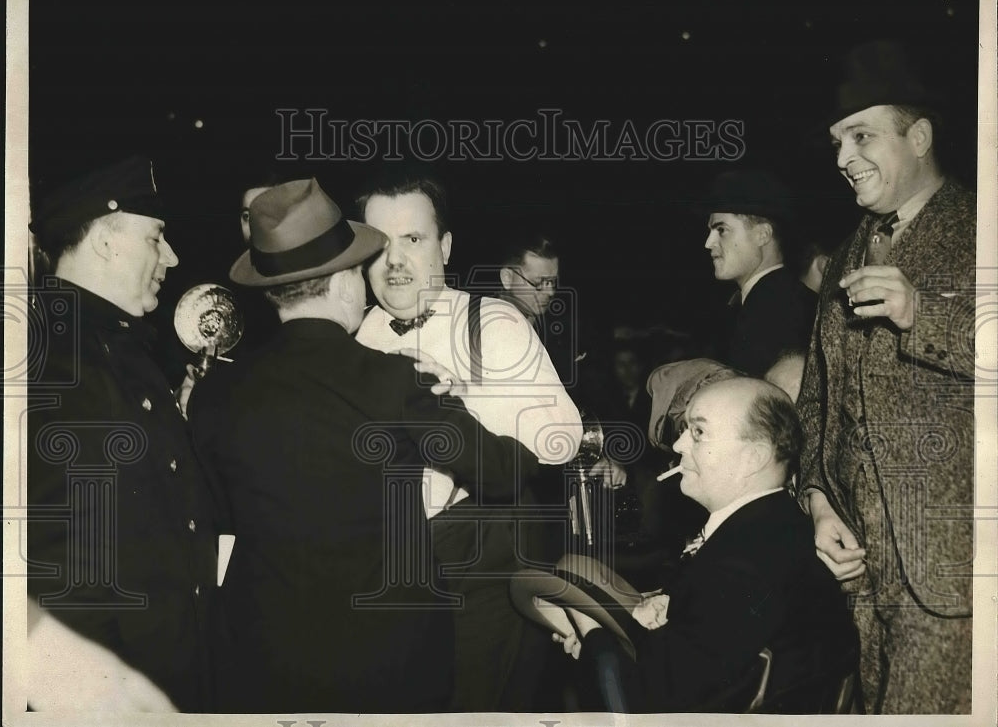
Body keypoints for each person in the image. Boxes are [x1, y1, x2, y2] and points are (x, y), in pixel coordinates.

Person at [187, 178, 538, 713]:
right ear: (346, 278)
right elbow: (504, 473)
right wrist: (459, 401)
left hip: (260, 661)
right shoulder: (396, 381)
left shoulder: (215, 393)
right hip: (389, 666)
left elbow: (216, 514)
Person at [354, 172, 583, 711]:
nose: (395, 261)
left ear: (445, 247)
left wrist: (460, 410)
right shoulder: (355, 335)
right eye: (379, 243)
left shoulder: (493, 322)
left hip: (481, 575)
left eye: (413, 239)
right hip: (384, 573)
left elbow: (563, 439)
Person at [797, 40, 976, 714]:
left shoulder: (980, 229)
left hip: (956, 578)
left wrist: (920, 312)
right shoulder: (845, 252)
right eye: (838, 140)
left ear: (920, 136)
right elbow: (818, 398)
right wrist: (817, 498)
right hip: (862, 579)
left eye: (862, 135)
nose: (843, 157)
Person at [538, 378, 858, 713]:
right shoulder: (774, 525)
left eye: (698, 432)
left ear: (753, 458)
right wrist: (659, 609)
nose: (677, 445)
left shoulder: (740, 568)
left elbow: (646, 704)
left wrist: (590, 628)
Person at [26, 156, 219, 712]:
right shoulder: (54, 356)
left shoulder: (117, 345)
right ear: (108, 242)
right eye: (156, 237)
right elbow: (55, 560)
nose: (172, 257)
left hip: (163, 674)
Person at [701, 169, 816, 378]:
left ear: (762, 234)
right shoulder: (778, 301)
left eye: (721, 230)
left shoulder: (774, 312)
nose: (708, 243)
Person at [496, 231, 579, 386]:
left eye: (552, 282)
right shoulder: (480, 326)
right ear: (507, 278)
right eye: (538, 283)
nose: (550, 292)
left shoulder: (562, 329)